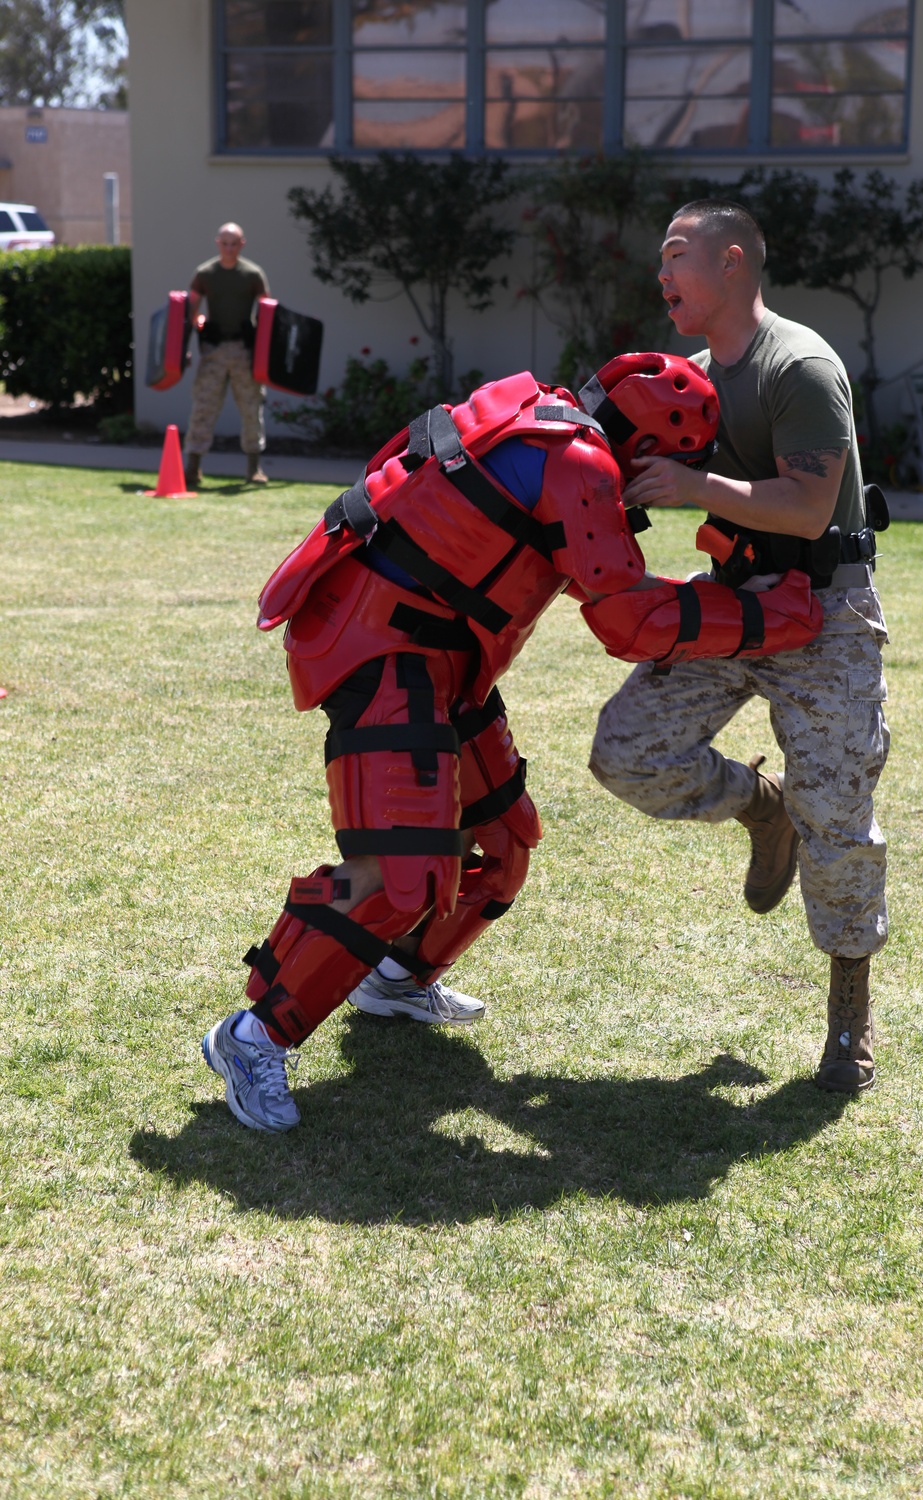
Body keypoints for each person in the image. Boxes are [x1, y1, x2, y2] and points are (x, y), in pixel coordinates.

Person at [200, 357, 823, 1132]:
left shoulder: (542, 418)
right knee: (402, 875)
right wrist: (779, 617)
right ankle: (254, 1035)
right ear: (653, 444)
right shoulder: (579, 461)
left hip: (440, 656)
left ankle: (394, 979)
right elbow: (632, 621)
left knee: (503, 845)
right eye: (681, 464)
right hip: (387, 652)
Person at [589, 200, 890, 1095]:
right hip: (738, 603)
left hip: (826, 613)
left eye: (677, 253)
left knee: (836, 815)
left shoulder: (800, 366)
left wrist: (692, 484)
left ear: (732, 263)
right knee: (627, 752)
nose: (663, 272)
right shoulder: (684, 378)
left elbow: (804, 506)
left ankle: (848, 1020)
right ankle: (761, 808)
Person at [183, 222, 269, 489]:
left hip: (245, 350)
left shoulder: (252, 274)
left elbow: (268, 313)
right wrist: (185, 343)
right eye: (225, 243)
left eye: (234, 243)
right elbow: (189, 310)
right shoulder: (205, 273)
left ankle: (254, 469)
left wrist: (267, 356)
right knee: (203, 406)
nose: (229, 248)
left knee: (251, 408)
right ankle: (193, 468)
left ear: (242, 244)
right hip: (214, 350)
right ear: (217, 243)